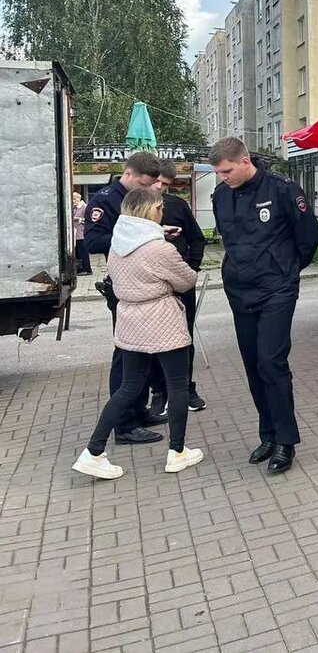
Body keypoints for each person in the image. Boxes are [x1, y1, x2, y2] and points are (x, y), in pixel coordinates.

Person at [72, 187, 203, 479]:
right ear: (150, 212)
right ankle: (177, 451)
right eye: (158, 207)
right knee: (177, 385)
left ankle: (93, 451)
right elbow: (186, 280)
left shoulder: (118, 243)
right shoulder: (161, 249)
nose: (161, 211)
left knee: (128, 387)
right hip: (162, 318)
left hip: (129, 319)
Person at [211, 138, 318, 473]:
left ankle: (286, 442)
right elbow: (229, 240)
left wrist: (285, 271)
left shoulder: (283, 190)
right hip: (240, 291)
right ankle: (268, 435)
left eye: (227, 170)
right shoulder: (221, 196)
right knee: (253, 364)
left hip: (277, 289)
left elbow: (308, 238)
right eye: (219, 173)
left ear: (245, 161)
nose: (223, 177)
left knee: (272, 362)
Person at [84, 152, 167, 444]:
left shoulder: (140, 197)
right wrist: (137, 236)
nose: (147, 190)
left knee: (144, 353)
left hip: (143, 284)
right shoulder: (104, 200)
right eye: (144, 183)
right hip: (122, 287)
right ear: (128, 174)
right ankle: (124, 425)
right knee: (126, 356)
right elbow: (92, 241)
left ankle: (138, 409)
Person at [145, 160, 208, 417]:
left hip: (180, 282)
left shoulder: (176, 205)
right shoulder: (134, 207)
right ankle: (159, 392)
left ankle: (186, 387)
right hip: (150, 285)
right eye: (156, 181)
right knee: (153, 341)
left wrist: (191, 267)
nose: (159, 187)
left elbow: (197, 238)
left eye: (166, 184)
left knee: (184, 336)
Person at [72, 192, 92, 275]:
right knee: (78, 252)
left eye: (74, 198)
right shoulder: (74, 207)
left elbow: (89, 219)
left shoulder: (84, 207)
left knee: (83, 252)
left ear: (78, 198)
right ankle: (80, 269)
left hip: (82, 232)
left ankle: (87, 269)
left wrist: (78, 219)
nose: (73, 201)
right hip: (75, 233)